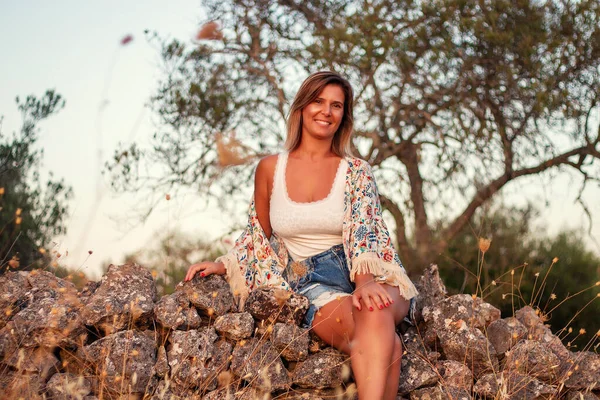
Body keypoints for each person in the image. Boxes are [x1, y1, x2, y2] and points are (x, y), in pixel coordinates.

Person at [184, 71, 418, 400]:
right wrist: (225, 264)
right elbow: (258, 233)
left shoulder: (356, 171)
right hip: (313, 282)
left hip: (371, 272)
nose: (327, 111)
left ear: (343, 117)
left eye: (336, 105)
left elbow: (365, 231)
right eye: (319, 101)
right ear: (301, 109)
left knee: (374, 309)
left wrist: (365, 283)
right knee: (387, 343)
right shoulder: (269, 168)